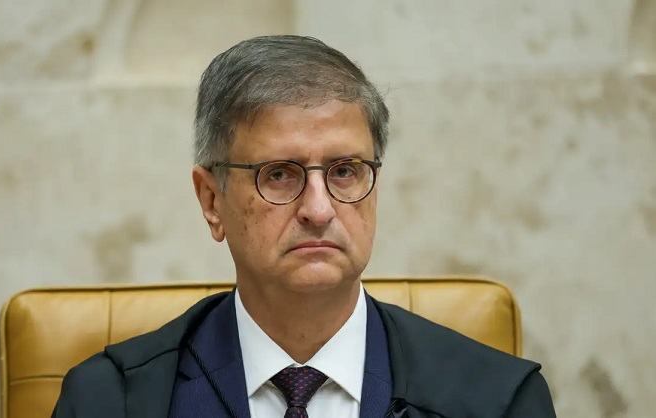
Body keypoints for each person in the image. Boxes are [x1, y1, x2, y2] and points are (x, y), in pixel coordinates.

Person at [52, 35, 556, 418]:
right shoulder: (108, 401)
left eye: (344, 171)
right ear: (211, 201)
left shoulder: (498, 400)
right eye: (279, 174)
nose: (319, 209)